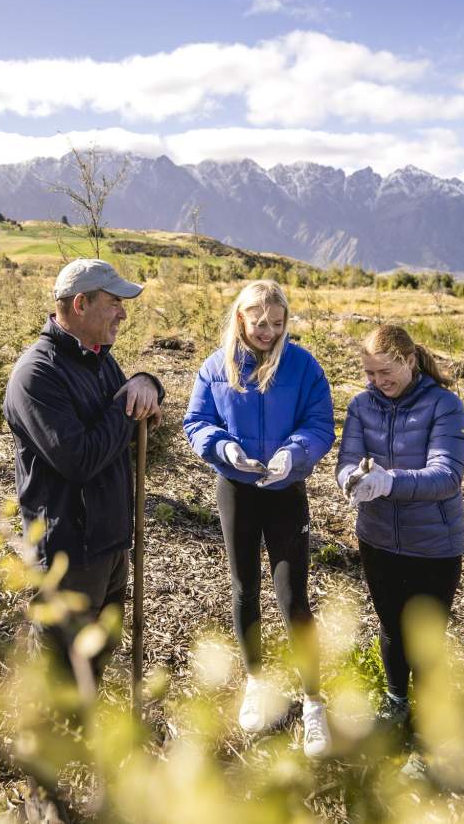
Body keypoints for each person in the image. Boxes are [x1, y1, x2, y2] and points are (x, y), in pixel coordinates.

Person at [183, 280, 335, 758]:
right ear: (241, 319)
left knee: (294, 598)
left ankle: (313, 702)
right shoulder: (216, 366)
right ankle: (256, 681)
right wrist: (221, 446)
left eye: (276, 322)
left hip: (285, 491)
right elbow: (196, 422)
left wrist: (295, 454)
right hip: (237, 490)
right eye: (259, 322)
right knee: (244, 588)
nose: (268, 331)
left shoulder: (303, 366)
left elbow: (320, 423)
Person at [3, 258, 164, 680]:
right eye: (114, 303)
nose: (123, 313)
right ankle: (55, 743)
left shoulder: (98, 360)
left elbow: (134, 401)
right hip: (69, 554)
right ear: (80, 304)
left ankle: (89, 740)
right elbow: (81, 459)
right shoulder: (37, 375)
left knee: (98, 655)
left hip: (111, 543)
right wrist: (128, 404)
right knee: (62, 670)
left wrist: (147, 382)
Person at [336, 324, 464, 739]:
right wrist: (352, 480)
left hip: (433, 545)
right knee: (392, 626)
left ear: (410, 361)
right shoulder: (362, 405)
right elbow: (347, 460)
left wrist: (390, 481)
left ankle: (429, 731)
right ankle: (396, 703)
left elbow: (446, 475)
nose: (378, 382)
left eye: (385, 372)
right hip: (377, 539)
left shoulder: (444, 406)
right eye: (371, 374)